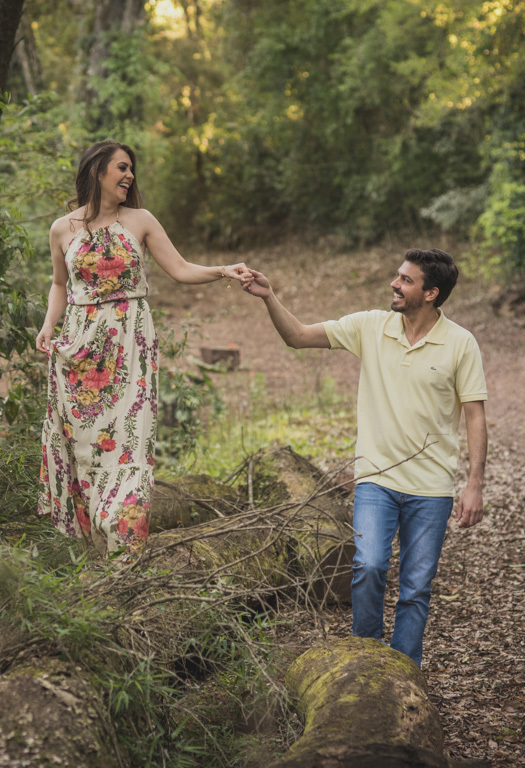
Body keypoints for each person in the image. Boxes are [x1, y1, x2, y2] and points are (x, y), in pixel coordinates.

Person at [241, 249, 487, 665]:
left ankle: (405, 672)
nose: (395, 283)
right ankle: (369, 662)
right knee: (369, 566)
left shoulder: (460, 343)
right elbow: (297, 335)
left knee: (415, 589)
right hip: (377, 478)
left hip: (432, 488)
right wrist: (269, 297)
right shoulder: (371, 326)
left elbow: (476, 416)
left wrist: (474, 483)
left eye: (406, 280)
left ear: (431, 293)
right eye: (398, 276)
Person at [36, 140, 249, 555]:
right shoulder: (62, 228)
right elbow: (60, 285)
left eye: (132, 168)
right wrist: (48, 327)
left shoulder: (140, 220)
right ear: (98, 171)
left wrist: (224, 270)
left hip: (130, 346)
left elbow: (181, 269)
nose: (129, 175)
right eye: (121, 167)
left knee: (130, 442)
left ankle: (125, 544)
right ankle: (93, 549)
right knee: (84, 447)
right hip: (80, 351)